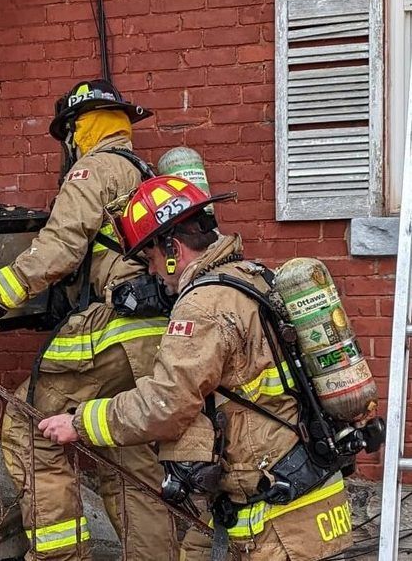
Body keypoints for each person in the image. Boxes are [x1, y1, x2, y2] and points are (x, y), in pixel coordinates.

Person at [39, 175, 354, 561]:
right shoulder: (251, 276)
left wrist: (80, 422)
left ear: (172, 247)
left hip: (279, 519)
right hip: (293, 493)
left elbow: (164, 406)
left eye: (151, 259)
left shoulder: (202, 305)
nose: (153, 273)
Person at [0, 80, 178, 560]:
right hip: (151, 338)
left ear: (80, 128)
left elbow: (60, 248)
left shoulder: (93, 169)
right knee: (129, 457)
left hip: (112, 330)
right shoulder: (146, 173)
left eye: (70, 134)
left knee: (28, 430)